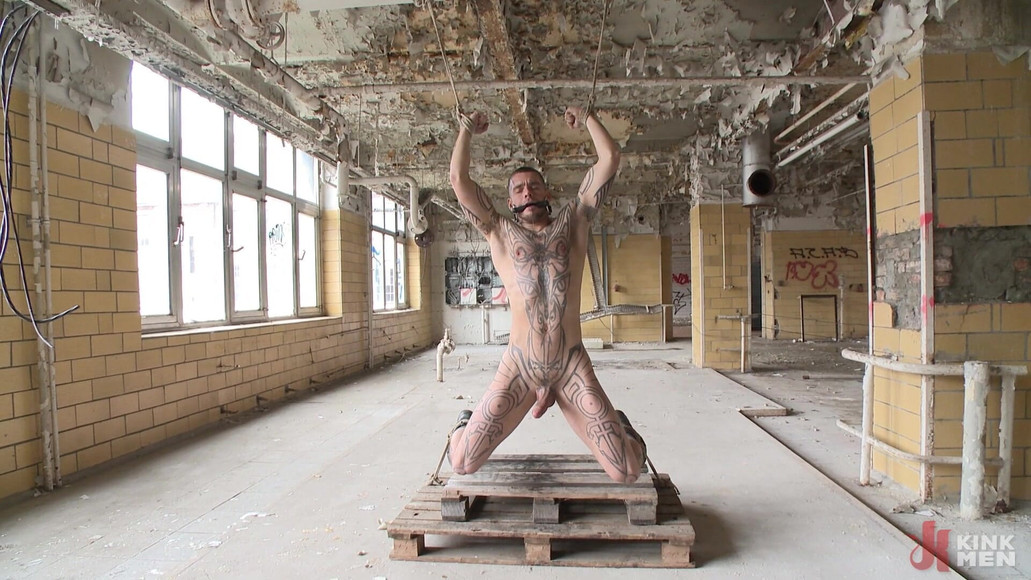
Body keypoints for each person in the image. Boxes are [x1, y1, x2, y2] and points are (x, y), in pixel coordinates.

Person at [446, 105, 647, 484]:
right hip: (520, 365)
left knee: (626, 471)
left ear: (547, 192)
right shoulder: (498, 232)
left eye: (534, 185)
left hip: (570, 364)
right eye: (519, 188)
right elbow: (458, 179)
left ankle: (622, 427)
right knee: (462, 462)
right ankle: (463, 422)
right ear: (510, 202)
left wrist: (588, 117)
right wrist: (466, 129)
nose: (528, 191)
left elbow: (610, 158)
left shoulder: (575, 221)